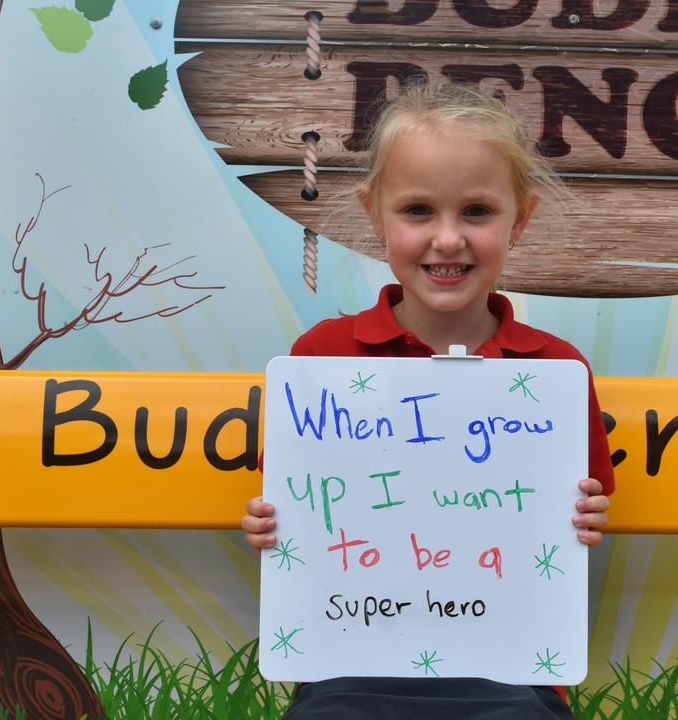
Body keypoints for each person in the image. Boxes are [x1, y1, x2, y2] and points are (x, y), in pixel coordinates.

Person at [241, 81, 615, 719]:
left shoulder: (554, 371)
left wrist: (586, 517)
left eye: (477, 212)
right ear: (374, 214)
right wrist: (267, 528)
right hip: (350, 664)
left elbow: (588, 506)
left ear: (518, 219)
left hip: (508, 670)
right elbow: (290, 502)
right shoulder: (322, 358)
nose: (447, 240)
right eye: (418, 211)